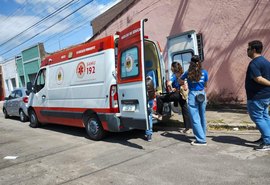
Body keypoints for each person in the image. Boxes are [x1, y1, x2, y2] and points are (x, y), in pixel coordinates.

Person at [245, 40, 270, 151]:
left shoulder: (254, 63)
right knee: (264, 116)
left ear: (254, 50)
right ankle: (265, 138)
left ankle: (268, 142)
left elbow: (258, 78)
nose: (247, 51)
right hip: (265, 96)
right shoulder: (265, 61)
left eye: (248, 48)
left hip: (257, 97)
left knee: (258, 117)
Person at [154, 62, 191, 133]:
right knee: (185, 110)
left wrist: (171, 88)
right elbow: (185, 84)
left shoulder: (174, 75)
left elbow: (169, 83)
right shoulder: (183, 74)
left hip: (176, 94)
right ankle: (187, 128)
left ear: (173, 68)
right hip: (183, 95)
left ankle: (159, 115)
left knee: (160, 98)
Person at [180, 55, 208, 146]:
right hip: (202, 94)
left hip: (193, 94)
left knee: (195, 118)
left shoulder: (188, 72)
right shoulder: (204, 72)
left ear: (191, 63)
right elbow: (205, 84)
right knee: (202, 116)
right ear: (199, 62)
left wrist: (185, 83)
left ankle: (201, 140)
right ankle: (202, 135)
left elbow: (180, 81)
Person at [145, 70, 156, 142]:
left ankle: (149, 133)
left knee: (148, 116)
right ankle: (149, 133)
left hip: (147, 100)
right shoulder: (151, 77)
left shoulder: (145, 84)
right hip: (151, 100)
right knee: (149, 116)